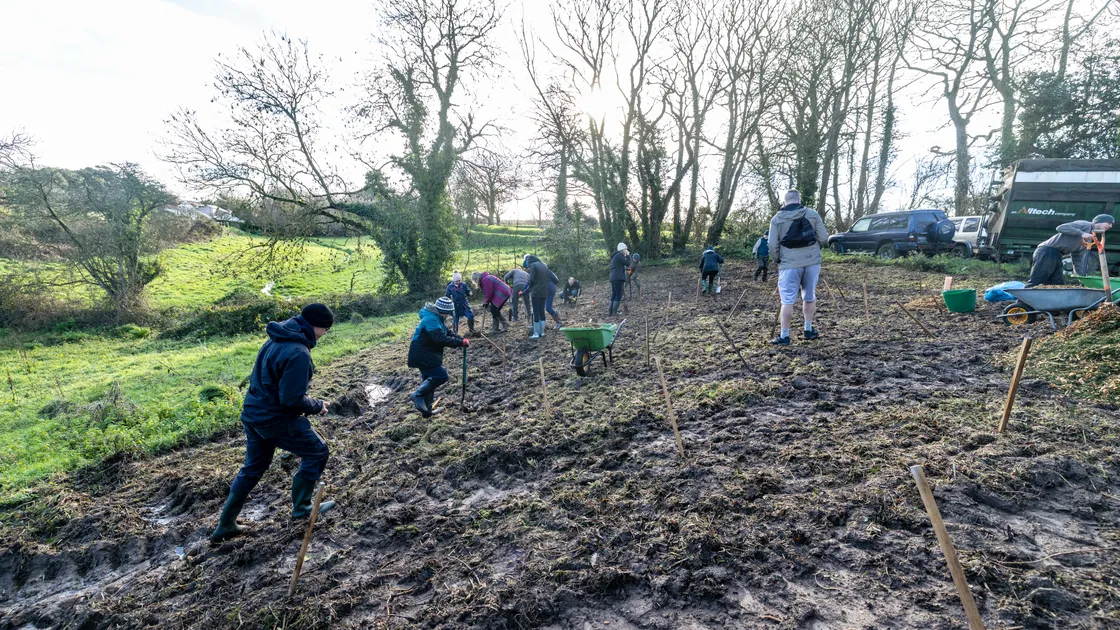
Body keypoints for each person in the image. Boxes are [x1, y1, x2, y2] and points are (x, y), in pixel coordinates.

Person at [210, 304, 337, 543]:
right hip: (275, 418)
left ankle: (226, 524)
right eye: (326, 329)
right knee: (317, 451)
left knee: (253, 468)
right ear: (316, 326)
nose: (325, 334)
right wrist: (317, 405)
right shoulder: (299, 352)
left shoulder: (276, 338)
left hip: (253, 414)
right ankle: (303, 508)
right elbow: (291, 399)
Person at [768, 190, 829, 345]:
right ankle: (808, 329)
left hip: (789, 264)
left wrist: (778, 259)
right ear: (799, 200)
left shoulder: (776, 219)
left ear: (785, 201)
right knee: (809, 296)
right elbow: (823, 238)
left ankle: (785, 335)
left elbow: (772, 245)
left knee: (787, 300)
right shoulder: (813, 214)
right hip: (812, 261)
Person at [407, 297, 469, 417]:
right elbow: (439, 338)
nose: (449, 315)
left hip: (426, 353)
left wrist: (461, 340)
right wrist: (459, 343)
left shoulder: (437, 318)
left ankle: (427, 411)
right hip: (423, 354)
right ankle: (417, 395)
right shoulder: (431, 319)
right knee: (441, 375)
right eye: (449, 312)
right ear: (444, 311)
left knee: (428, 381)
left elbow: (447, 333)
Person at [1027, 215, 1115, 287]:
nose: (1110, 226)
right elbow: (1061, 227)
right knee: (1038, 280)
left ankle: (1048, 306)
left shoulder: (1088, 240)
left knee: (1056, 284)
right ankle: (1021, 303)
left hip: (1057, 255)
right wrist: (1081, 233)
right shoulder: (1085, 224)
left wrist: (1081, 279)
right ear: (1099, 221)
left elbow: (1078, 260)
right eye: (1109, 223)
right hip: (1046, 251)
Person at [522, 254, 558, 339]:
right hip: (544, 291)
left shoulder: (533, 266)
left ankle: (536, 333)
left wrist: (528, 289)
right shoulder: (543, 265)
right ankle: (542, 332)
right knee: (542, 312)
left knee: (536, 312)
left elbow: (532, 279)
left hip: (536, 292)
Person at [446, 271, 474, 335]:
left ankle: (471, 330)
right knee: (455, 319)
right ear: (453, 280)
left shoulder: (463, 284)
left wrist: (470, 293)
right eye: (456, 281)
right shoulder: (450, 287)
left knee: (470, 315)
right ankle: (455, 333)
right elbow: (447, 296)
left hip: (464, 304)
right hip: (455, 306)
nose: (458, 282)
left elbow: (468, 291)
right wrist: (449, 302)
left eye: (459, 280)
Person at [609, 243, 631, 315]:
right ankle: (614, 312)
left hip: (613, 277)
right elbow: (628, 263)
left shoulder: (616, 256)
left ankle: (610, 312)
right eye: (625, 249)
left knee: (614, 294)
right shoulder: (619, 256)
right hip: (617, 278)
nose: (626, 251)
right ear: (622, 250)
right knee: (618, 294)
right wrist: (627, 255)